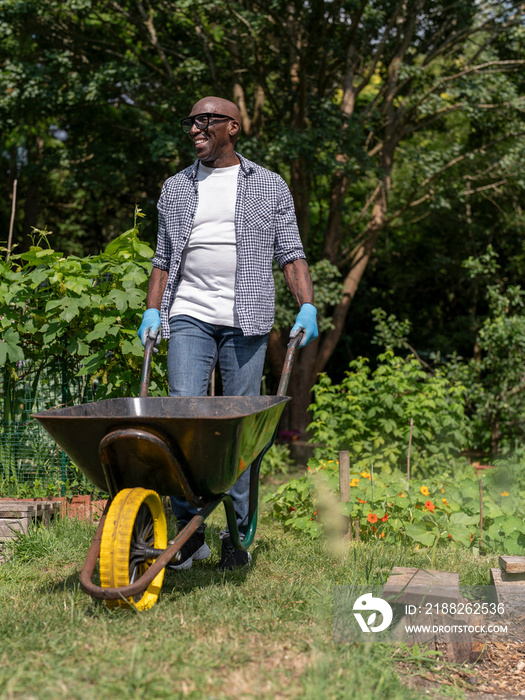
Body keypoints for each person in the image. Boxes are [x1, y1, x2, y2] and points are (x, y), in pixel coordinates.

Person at [138, 96, 318, 570]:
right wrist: (154, 309)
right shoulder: (175, 188)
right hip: (189, 314)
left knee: (241, 428)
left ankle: (237, 536)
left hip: (248, 319)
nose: (195, 128)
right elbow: (162, 258)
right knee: (183, 418)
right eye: (190, 121)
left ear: (232, 127)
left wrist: (308, 306)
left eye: (205, 121)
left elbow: (291, 253)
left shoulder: (268, 185)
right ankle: (188, 537)